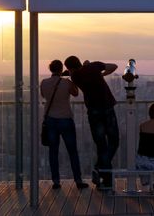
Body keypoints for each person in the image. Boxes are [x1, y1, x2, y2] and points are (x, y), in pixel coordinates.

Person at [64, 56, 119, 188]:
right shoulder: (93, 67)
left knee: (101, 146)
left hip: (94, 112)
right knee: (114, 141)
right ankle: (100, 172)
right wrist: (101, 74)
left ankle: (104, 177)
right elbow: (114, 66)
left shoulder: (75, 77)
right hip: (108, 108)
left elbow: (74, 75)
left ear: (70, 68)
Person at [40, 59, 88, 190]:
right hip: (65, 119)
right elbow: (76, 93)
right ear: (61, 69)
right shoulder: (66, 83)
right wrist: (71, 79)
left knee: (53, 152)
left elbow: (44, 96)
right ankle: (78, 180)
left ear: (51, 69)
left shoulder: (44, 83)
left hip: (50, 120)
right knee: (72, 151)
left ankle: (56, 182)